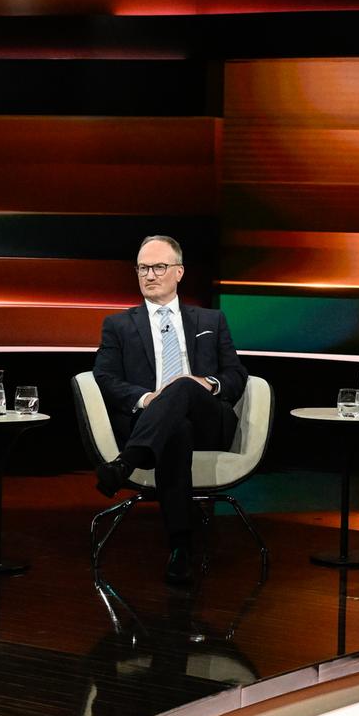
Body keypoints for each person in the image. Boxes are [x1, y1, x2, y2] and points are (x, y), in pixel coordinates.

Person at [92, 235, 247, 586]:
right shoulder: (118, 325)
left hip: (210, 421)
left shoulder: (211, 319)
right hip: (157, 427)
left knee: (184, 386)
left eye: (159, 267)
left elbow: (237, 375)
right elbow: (105, 377)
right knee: (176, 430)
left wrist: (205, 383)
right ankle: (180, 548)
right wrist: (148, 399)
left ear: (179, 272)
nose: (150, 275)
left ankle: (126, 462)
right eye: (143, 268)